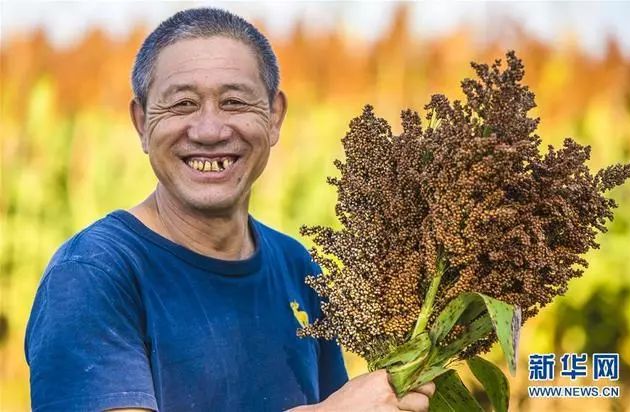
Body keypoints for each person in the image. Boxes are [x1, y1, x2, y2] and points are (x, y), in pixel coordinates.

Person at [25, 8, 435, 412]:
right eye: (182, 104)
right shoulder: (93, 274)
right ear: (140, 123)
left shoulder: (299, 269)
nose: (209, 130)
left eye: (235, 102)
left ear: (274, 117)